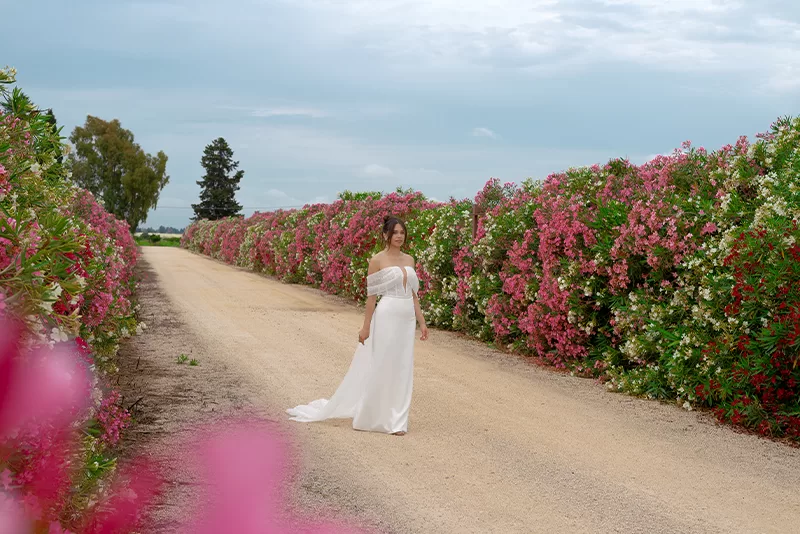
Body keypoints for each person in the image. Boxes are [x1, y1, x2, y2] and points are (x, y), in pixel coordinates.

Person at [286, 215, 428, 435]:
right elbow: (371, 297)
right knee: (382, 365)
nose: (399, 236)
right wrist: (366, 327)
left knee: (402, 368)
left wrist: (422, 321)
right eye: (395, 232)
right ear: (385, 235)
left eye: (402, 232)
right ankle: (370, 417)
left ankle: (398, 421)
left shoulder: (409, 260)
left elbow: (414, 294)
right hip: (387, 315)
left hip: (407, 319)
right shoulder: (377, 260)